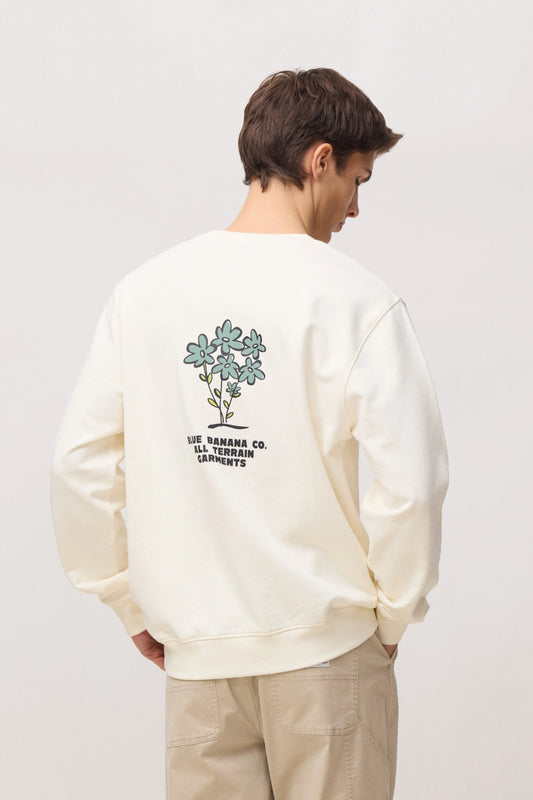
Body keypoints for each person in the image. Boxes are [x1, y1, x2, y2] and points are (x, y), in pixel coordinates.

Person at [49, 67, 449, 800]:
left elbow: (79, 465)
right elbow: (412, 487)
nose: (356, 207)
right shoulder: (358, 302)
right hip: (328, 655)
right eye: (357, 180)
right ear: (319, 160)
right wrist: (392, 618)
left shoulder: (145, 294)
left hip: (199, 663)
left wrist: (127, 601)